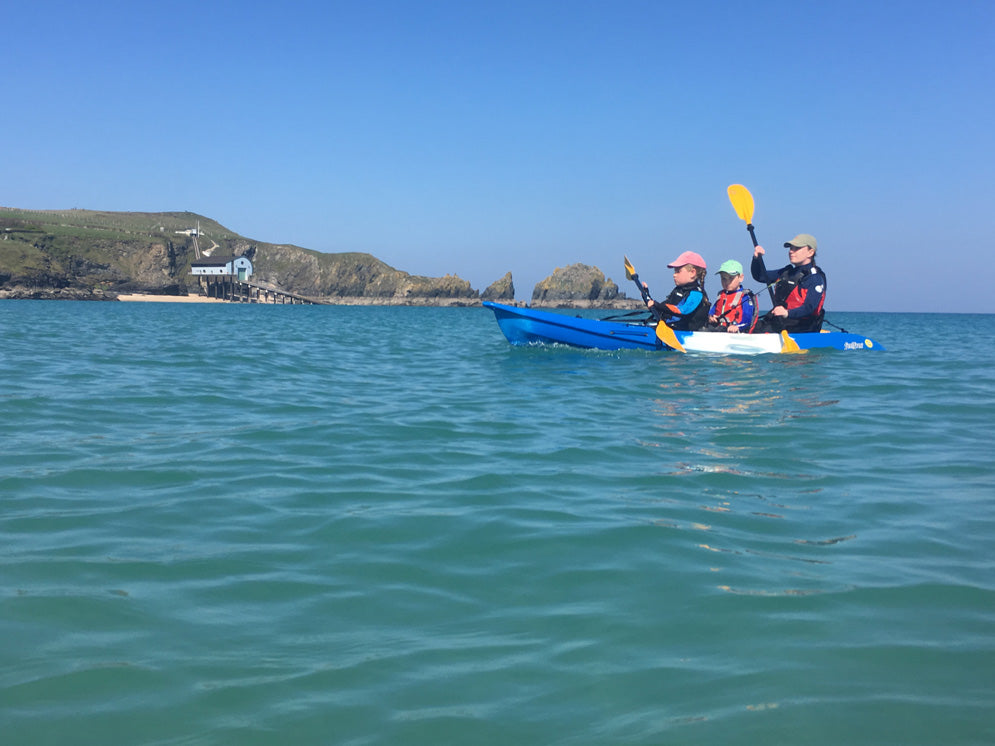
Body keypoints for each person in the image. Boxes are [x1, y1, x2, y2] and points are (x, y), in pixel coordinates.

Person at [750, 233, 826, 333]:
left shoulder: (815, 278)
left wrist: (786, 313)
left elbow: (809, 307)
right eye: (791, 248)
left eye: (797, 248)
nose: (791, 251)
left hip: (802, 326)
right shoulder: (786, 273)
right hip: (779, 323)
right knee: (750, 328)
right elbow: (759, 276)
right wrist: (756, 259)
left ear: (810, 252)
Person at [644, 251, 710, 331]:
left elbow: (682, 310)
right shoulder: (677, 291)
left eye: (678, 271)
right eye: (674, 271)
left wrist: (657, 305)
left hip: (688, 334)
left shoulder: (697, 294)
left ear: (692, 273)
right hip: (672, 330)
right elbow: (661, 309)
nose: (674, 275)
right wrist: (646, 295)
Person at [708, 259, 756, 333]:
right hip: (719, 331)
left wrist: (737, 326)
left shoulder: (745, 296)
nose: (727, 282)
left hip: (736, 334)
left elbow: (747, 319)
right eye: (723, 278)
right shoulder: (721, 295)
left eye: (731, 278)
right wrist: (711, 318)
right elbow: (712, 312)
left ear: (741, 277)